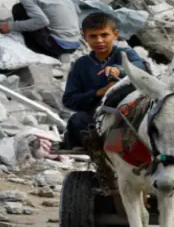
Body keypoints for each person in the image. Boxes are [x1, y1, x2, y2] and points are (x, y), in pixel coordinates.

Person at [61, 12, 147, 149]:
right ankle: (100, 150)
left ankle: (112, 150)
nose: (99, 40)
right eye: (93, 36)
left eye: (104, 35)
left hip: (125, 116)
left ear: (115, 34)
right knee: (77, 121)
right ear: (85, 37)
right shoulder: (80, 65)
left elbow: (140, 66)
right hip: (96, 118)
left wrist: (120, 70)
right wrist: (98, 93)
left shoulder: (125, 54)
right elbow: (69, 100)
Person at [0, 0, 81, 58]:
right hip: (74, 44)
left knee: (19, 9)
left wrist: (11, 27)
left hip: (59, 46)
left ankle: (37, 51)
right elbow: (75, 9)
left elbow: (41, 21)